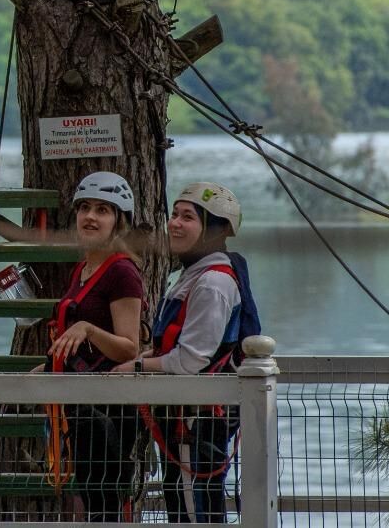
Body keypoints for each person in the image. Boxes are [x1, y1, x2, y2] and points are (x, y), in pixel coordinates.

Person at [114, 181, 253, 523]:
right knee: (184, 497)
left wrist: (136, 367)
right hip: (185, 417)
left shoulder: (213, 283)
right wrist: (144, 358)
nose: (174, 223)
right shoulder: (194, 275)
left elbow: (190, 360)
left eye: (188, 217)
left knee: (193, 506)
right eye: (174, 214)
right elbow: (176, 346)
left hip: (196, 419)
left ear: (214, 230)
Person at [44, 171, 147, 523]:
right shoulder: (84, 269)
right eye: (84, 208)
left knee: (103, 502)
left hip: (109, 410)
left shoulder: (122, 273)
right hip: (82, 405)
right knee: (89, 496)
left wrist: (87, 329)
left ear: (119, 221)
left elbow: (129, 348)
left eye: (102, 210)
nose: (90, 217)